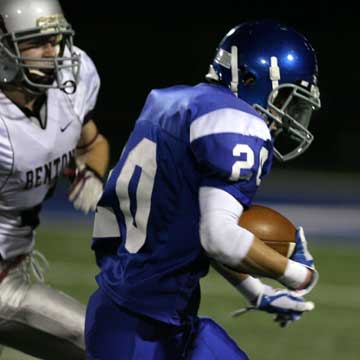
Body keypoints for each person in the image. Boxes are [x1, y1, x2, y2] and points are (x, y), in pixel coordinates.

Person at [85, 20, 321, 360]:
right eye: (284, 99)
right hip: (140, 333)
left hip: (142, 315)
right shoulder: (238, 122)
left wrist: (256, 291)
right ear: (251, 78)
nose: (283, 117)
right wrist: (299, 275)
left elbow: (192, 226)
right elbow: (219, 238)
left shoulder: (169, 102)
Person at [0, 0, 109, 359]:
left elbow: (92, 142)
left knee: (109, 345)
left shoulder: (70, 84)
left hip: (10, 278)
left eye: (56, 39)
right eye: (36, 42)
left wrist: (92, 172)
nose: (53, 52)